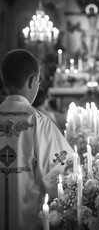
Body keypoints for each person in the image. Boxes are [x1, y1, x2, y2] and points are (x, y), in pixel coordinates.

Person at [0, 49, 74, 230]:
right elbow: (64, 178)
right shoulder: (39, 124)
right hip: (28, 222)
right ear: (33, 81)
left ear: (4, 80)